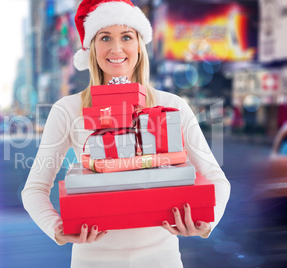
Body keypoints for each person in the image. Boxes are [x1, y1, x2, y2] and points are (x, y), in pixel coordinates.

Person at [21, 0, 231, 267]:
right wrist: (57, 229)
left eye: (126, 37)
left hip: (162, 259)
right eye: (105, 37)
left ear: (139, 46)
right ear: (91, 47)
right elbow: (34, 188)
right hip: (93, 260)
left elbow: (216, 178)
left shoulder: (173, 106)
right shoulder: (68, 109)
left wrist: (206, 222)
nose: (116, 48)